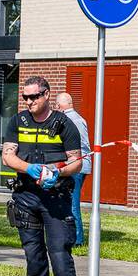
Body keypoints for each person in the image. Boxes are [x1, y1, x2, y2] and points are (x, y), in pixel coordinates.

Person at [2, 77, 85, 276]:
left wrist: (56, 174)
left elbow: (77, 163)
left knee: (59, 254)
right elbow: (8, 156)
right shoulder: (18, 121)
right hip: (26, 196)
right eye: (25, 98)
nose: (28, 102)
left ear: (46, 95)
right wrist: (31, 169)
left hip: (56, 197)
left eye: (33, 97)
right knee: (33, 255)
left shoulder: (64, 124)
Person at [55, 92, 91, 246]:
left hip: (76, 166)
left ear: (58, 106)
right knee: (69, 201)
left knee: (72, 203)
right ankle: (71, 235)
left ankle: (77, 239)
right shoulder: (79, 118)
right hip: (81, 165)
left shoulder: (68, 120)